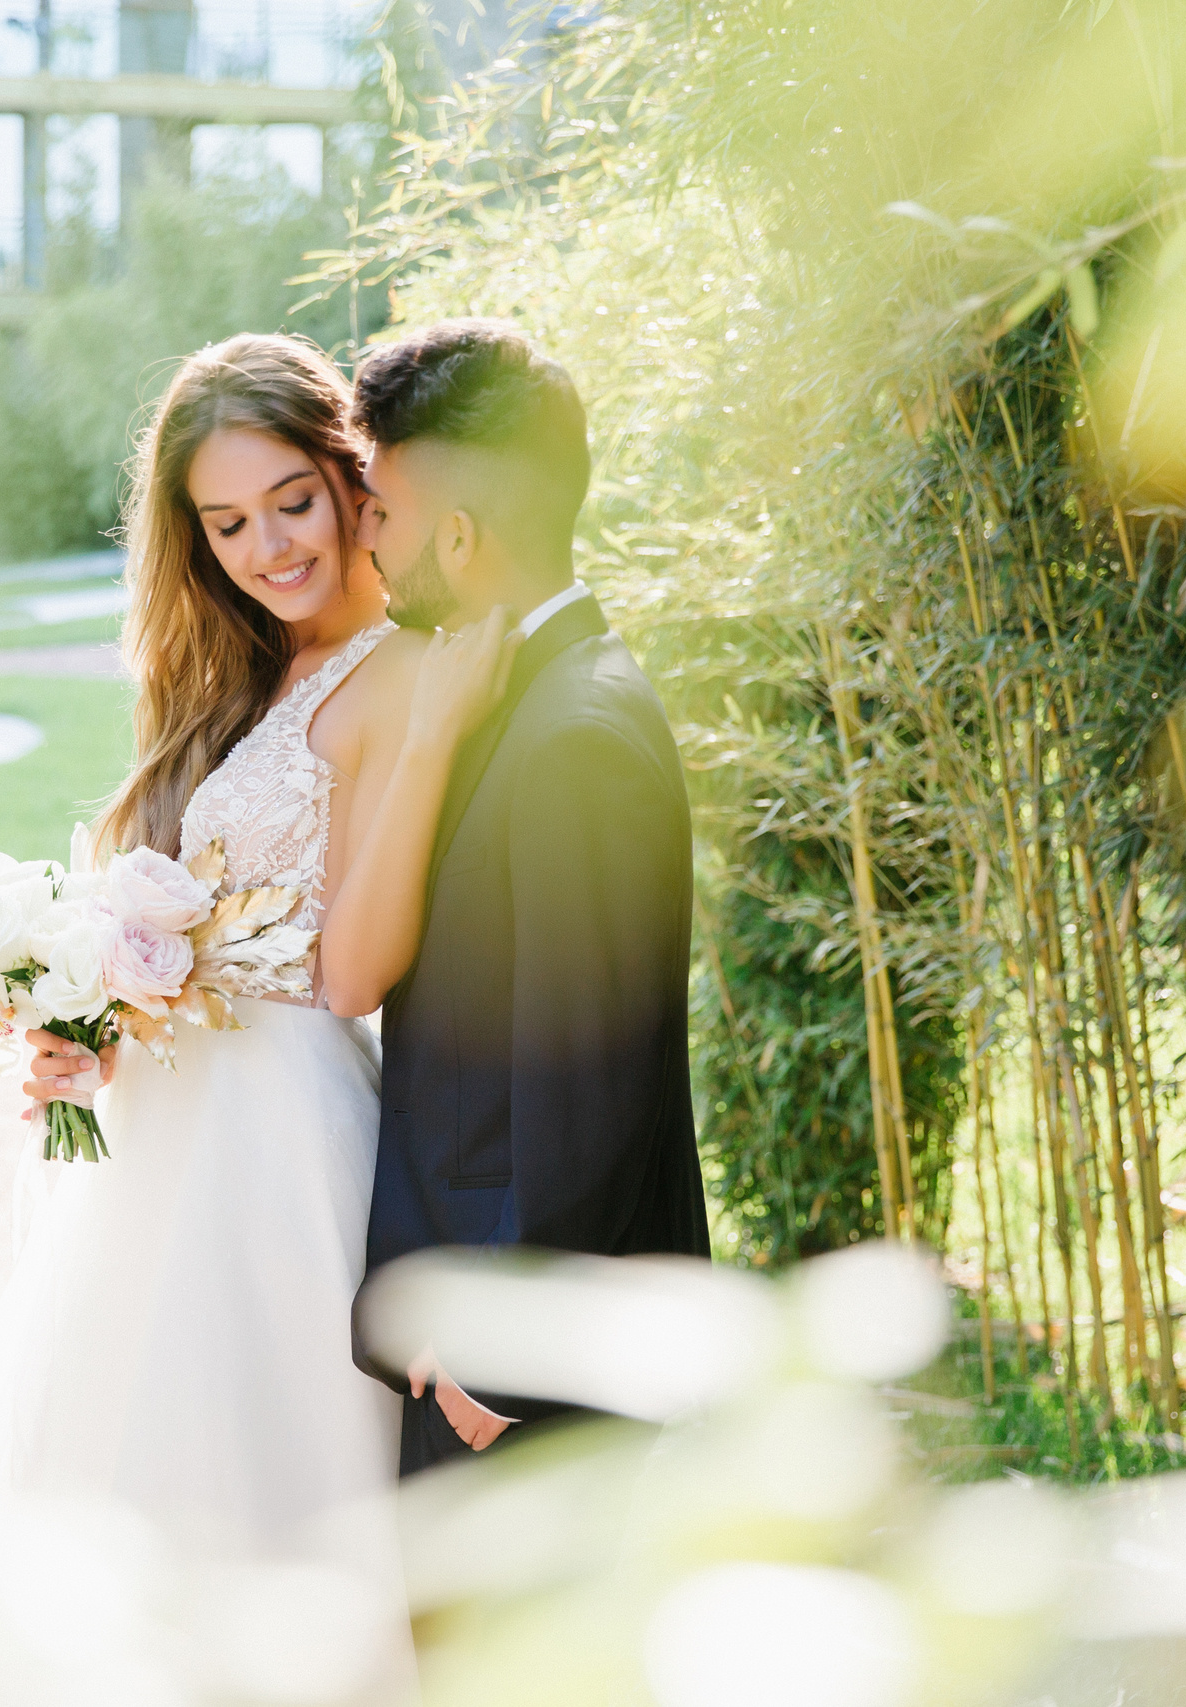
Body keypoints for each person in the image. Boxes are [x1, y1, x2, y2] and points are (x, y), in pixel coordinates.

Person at [0, 333, 515, 1706]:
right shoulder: (239, 682)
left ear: (349, 478)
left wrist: (437, 736)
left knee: (254, 1487)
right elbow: (199, 921)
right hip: (161, 1143)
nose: (269, 543)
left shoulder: (401, 674)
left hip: (281, 1150)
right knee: (121, 1477)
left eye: (292, 498)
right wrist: (80, 1024)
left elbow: (352, 971)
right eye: (226, 522)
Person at [348, 319, 709, 1477]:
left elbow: (593, 1095)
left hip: (526, 1382)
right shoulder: (521, 692)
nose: (368, 543)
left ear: (458, 534)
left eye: (385, 516)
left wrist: (498, 1374)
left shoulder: (577, 737)